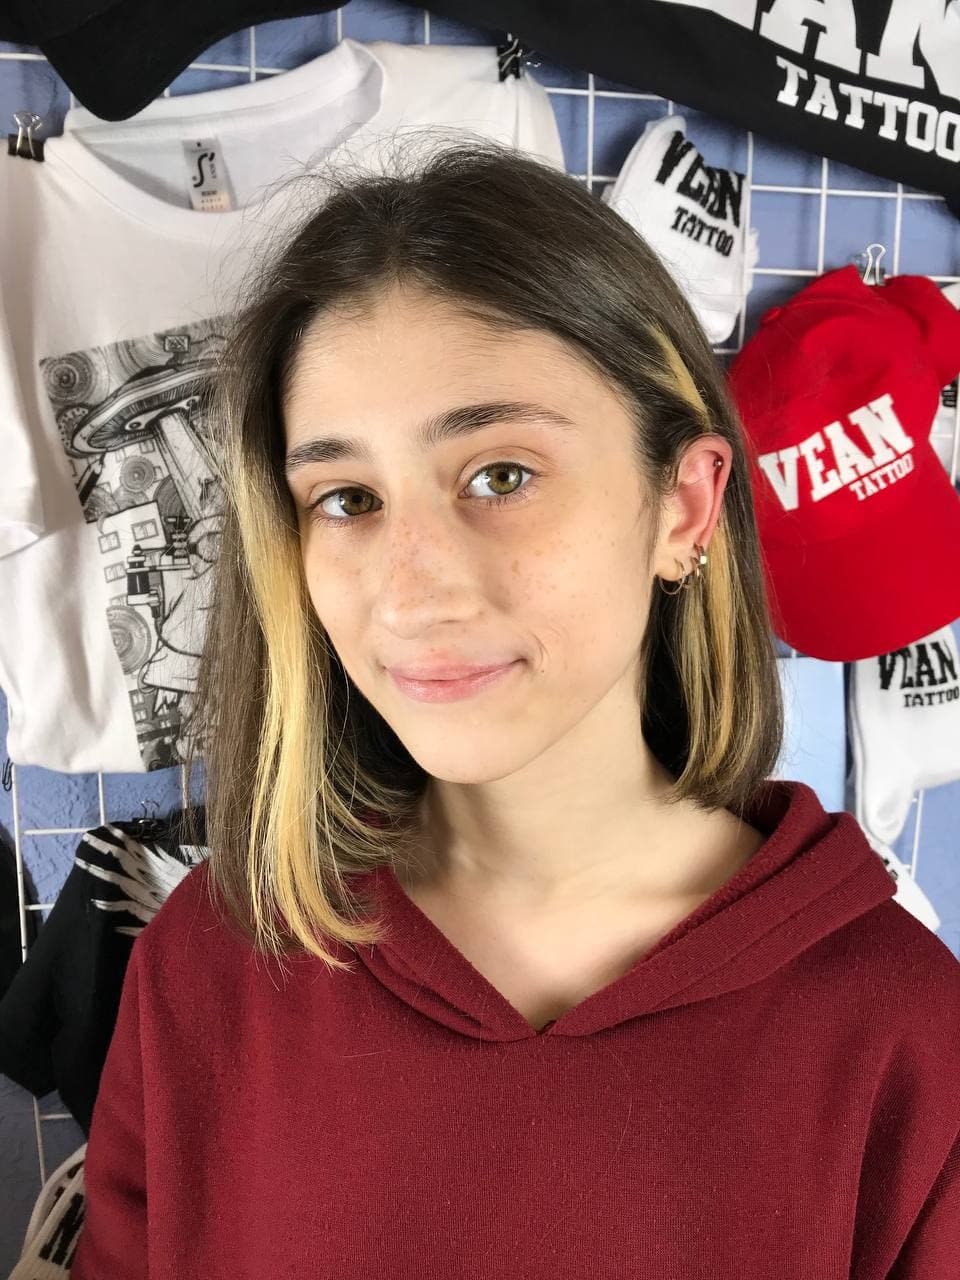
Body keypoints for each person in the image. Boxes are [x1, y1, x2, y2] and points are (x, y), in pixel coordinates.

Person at [71, 136, 960, 1278]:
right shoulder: (209, 965)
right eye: (346, 499)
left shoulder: (908, 1040)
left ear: (684, 508)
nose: (411, 589)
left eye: (500, 475)